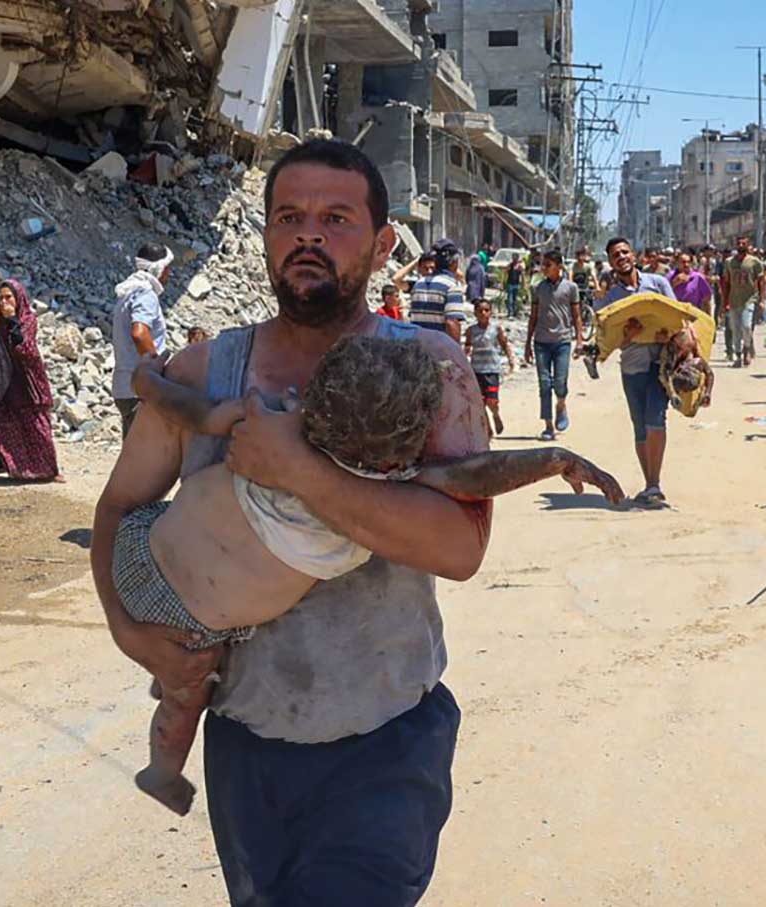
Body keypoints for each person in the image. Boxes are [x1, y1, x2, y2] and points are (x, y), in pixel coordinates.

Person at [91, 139, 487, 905]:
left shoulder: (429, 368)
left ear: (379, 246)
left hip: (388, 739)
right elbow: (117, 507)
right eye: (289, 216)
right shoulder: (207, 371)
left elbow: (461, 546)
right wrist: (129, 632)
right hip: (248, 742)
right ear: (267, 236)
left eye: (336, 218)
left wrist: (298, 470)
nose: (308, 233)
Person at [120, 335, 620, 815]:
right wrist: (554, 459)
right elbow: (471, 474)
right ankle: (162, 771)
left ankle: (166, 731)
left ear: (315, 399)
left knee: (184, 681)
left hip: (142, 546)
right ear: (402, 451)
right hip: (193, 616)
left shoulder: (265, 422)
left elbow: (187, 409)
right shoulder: (380, 492)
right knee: (188, 693)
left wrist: (146, 381)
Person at [599, 236, 676, 507]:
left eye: (624, 252)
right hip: (632, 368)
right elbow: (604, 344)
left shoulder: (658, 284)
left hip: (660, 364)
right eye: (615, 255)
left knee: (656, 419)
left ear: (634, 256)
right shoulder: (611, 300)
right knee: (640, 427)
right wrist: (627, 337)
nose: (621, 257)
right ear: (610, 262)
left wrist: (673, 336)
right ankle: (650, 482)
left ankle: (654, 484)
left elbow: (679, 318)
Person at [0, 277, 62, 486]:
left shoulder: (27, 319)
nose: (4, 302)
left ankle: (49, 470)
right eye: (0, 298)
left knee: (36, 424)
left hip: (25, 379)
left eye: (8, 297)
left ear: (18, 298)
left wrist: (12, 321)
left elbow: (25, 348)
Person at [112, 243, 171, 437]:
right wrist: (156, 369)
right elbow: (139, 333)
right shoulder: (146, 294)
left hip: (126, 387)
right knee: (146, 457)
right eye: (168, 268)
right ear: (160, 269)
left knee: (134, 453)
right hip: (140, 389)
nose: (169, 274)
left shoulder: (128, 293)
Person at [525, 250, 581, 440]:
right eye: (543, 264)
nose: (544, 268)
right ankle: (548, 425)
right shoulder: (538, 288)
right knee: (544, 383)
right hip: (541, 342)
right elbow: (533, 316)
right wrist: (527, 344)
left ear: (559, 266)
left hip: (562, 342)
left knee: (560, 382)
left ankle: (561, 404)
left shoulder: (570, 288)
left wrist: (580, 339)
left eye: (548, 264)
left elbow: (576, 316)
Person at [466, 300, 518, 435]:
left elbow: (504, 344)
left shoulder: (496, 329)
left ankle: (495, 415)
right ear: (475, 313)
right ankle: (487, 428)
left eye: (486, 310)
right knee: (480, 402)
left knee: (492, 400)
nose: (483, 313)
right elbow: (467, 348)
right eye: (480, 311)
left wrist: (511, 360)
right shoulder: (471, 331)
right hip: (476, 370)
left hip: (492, 370)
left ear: (490, 312)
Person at [408, 238, 465, 341]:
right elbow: (451, 323)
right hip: (439, 350)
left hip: (417, 348)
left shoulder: (418, 284)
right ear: (454, 262)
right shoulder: (451, 286)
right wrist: (456, 353)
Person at [720, 237, 763, 368]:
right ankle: (738, 355)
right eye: (738, 243)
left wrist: (762, 299)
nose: (741, 245)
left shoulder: (754, 262)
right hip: (734, 300)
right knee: (735, 329)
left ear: (748, 245)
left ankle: (747, 348)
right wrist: (724, 302)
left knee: (747, 326)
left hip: (749, 299)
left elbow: (761, 281)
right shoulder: (729, 262)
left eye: (743, 243)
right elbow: (726, 283)